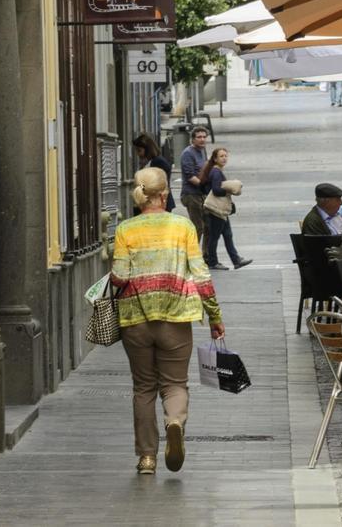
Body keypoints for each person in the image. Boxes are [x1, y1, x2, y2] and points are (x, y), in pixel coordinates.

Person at [110, 166, 224, 476]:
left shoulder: (126, 230)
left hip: (135, 318)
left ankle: (147, 457)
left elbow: (119, 277)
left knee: (144, 388)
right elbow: (201, 275)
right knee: (174, 384)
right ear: (165, 194)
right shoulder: (182, 226)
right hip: (176, 316)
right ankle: (174, 422)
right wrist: (214, 315)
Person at [199, 148, 253, 271]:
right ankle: (213, 262)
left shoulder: (215, 171)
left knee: (227, 235)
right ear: (215, 159)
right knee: (215, 236)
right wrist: (230, 188)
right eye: (221, 156)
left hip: (220, 210)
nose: (224, 158)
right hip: (216, 210)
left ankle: (236, 260)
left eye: (225, 156)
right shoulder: (216, 172)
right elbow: (217, 190)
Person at [179, 126, 210, 244]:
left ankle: (207, 256)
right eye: (199, 137)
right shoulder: (188, 154)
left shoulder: (202, 150)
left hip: (202, 194)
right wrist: (205, 186)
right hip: (191, 195)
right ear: (193, 139)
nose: (202, 139)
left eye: (204, 137)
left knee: (208, 226)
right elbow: (190, 176)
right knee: (198, 226)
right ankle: (191, 254)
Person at [132, 133, 174, 213]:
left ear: (147, 149)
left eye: (139, 150)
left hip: (158, 202)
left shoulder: (157, 162)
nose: (138, 154)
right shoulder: (151, 161)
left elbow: (160, 183)